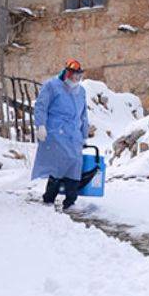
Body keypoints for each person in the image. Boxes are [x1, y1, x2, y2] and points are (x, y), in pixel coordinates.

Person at [31, 58, 90, 210]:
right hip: (56, 132)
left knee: (75, 167)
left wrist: (84, 135)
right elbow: (41, 106)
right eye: (74, 75)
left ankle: (70, 202)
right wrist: (40, 125)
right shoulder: (52, 86)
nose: (76, 79)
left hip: (74, 135)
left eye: (79, 76)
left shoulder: (81, 91)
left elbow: (83, 115)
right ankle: (49, 198)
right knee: (59, 166)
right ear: (67, 74)